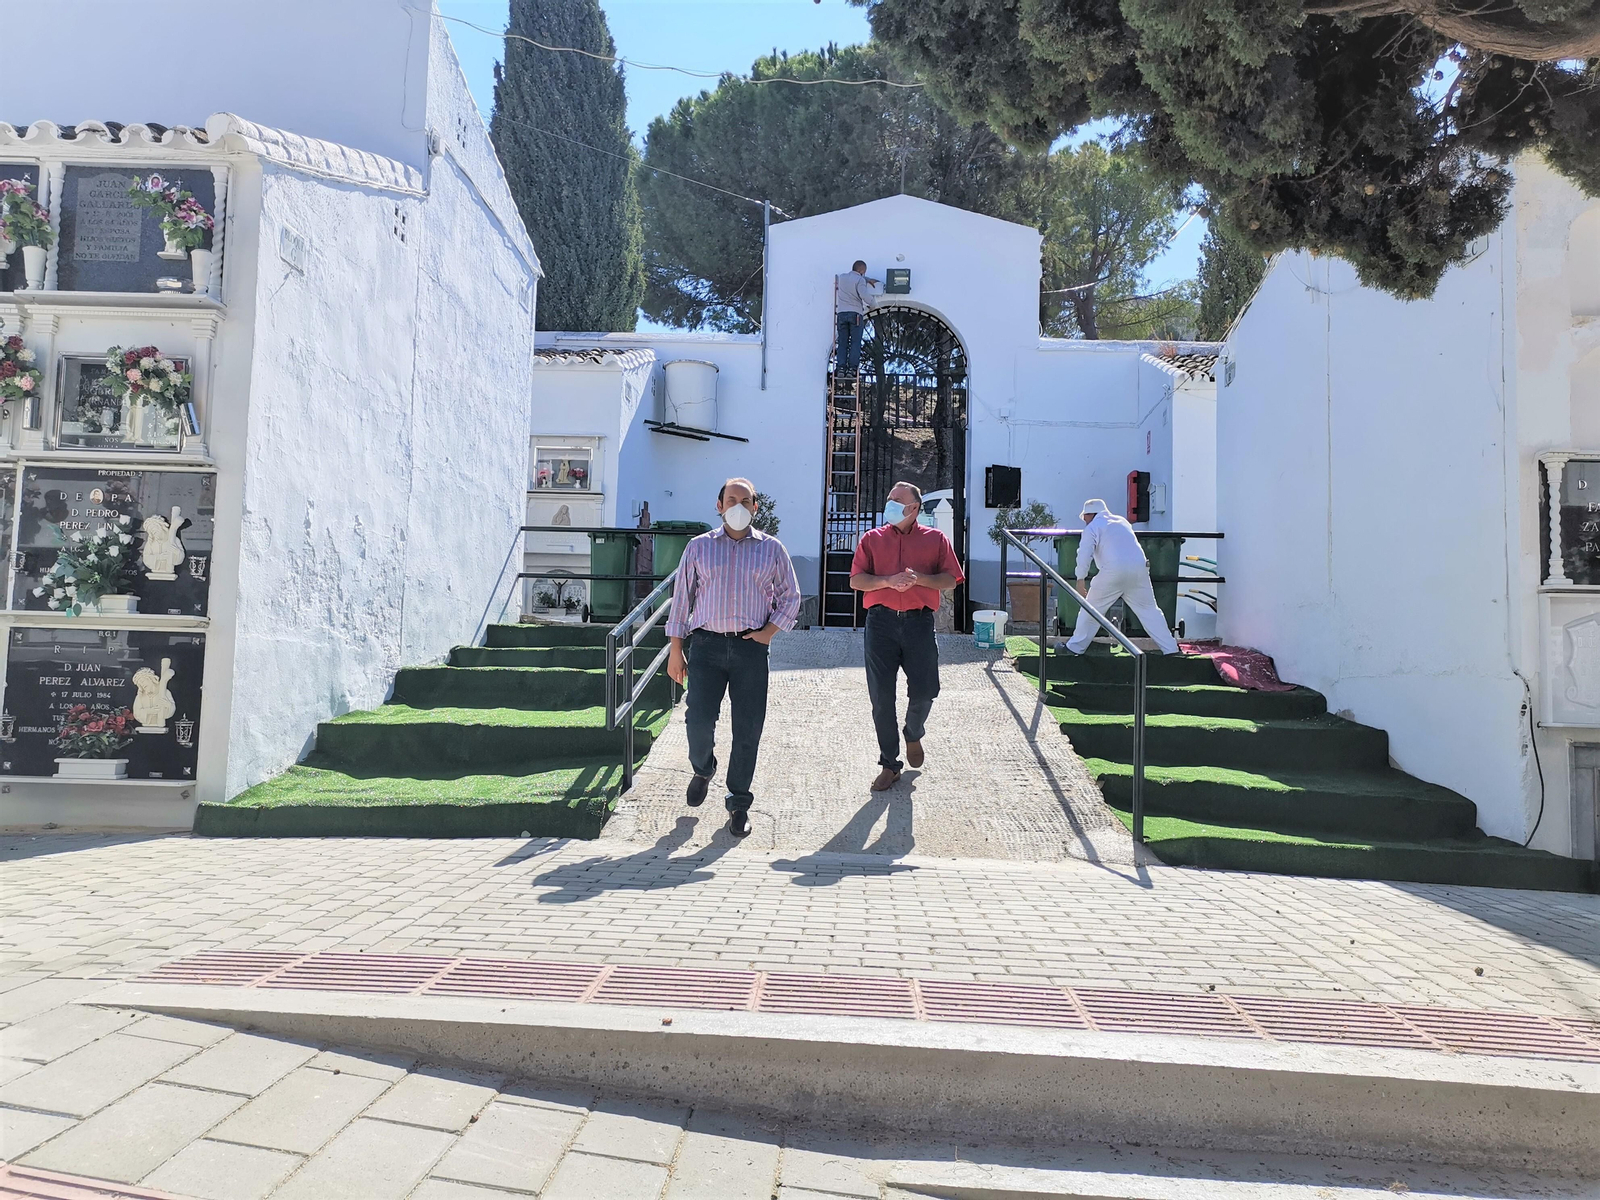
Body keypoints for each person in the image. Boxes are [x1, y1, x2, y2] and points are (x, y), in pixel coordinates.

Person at [666, 478, 801, 837]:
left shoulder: (772, 549)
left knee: (747, 729)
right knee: (697, 720)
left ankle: (738, 802)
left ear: (756, 507)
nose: (738, 506)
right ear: (719, 505)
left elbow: (791, 596)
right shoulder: (698, 548)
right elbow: (682, 600)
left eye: (746, 500)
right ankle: (703, 767)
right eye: (731, 499)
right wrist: (676, 650)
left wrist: (768, 633)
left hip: (750, 649)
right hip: (706, 646)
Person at [849, 482, 965, 791]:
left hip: (918, 623)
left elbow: (951, 579)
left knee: (926, 690)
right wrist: (888, 581)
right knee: (881, 698)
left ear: (913, 508)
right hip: (880, 624)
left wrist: (919, 580)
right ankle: (890, 764)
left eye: (897, 500)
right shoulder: (871, 539)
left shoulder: (936, 539)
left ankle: (913, 732)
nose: (889, 504)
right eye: (888, 499)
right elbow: (857, 580)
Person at [1066, 498, 1180, 655]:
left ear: (1091, 514)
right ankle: (1171, 649)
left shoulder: (1093, 527)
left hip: (1113, 570)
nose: (1084, 521)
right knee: (1150, 611)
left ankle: (1074, 648)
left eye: (1085, 517)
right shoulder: (1122, 521)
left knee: (1091, 609)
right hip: (1139, 568)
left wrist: (1080, 579)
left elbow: (1084, 553)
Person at [834, 260, 879, 377]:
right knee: (855, 343)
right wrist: (874, 305)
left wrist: (866, 279)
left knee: (843, 343)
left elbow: (854, 277)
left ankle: (841, 369)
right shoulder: (860, 280)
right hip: (855, 315)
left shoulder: (842, 277)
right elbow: (864, 294)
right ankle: (852, 369)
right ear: (862, 271)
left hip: (841, 314)